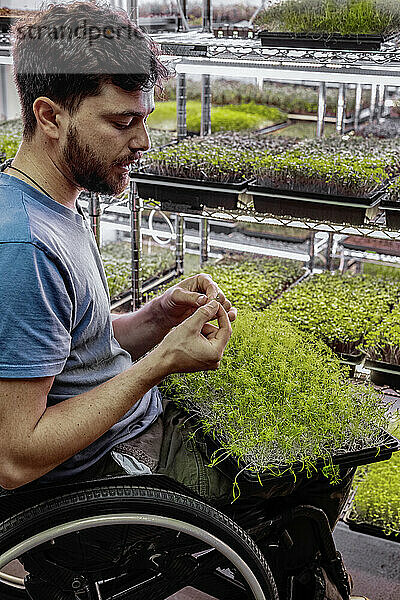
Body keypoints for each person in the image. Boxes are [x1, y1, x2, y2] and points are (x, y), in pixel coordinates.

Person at [0, 3, 362, 599]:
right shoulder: (22, 246)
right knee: (314, 475)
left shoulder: (48, 202)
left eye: (144, 119)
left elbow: (68, 351)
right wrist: (160, 363)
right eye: (122, 123)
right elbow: (15, 457)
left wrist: (148, 323)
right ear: (49, 116)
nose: (143, 141)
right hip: (111, 481)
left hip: (123, 445)